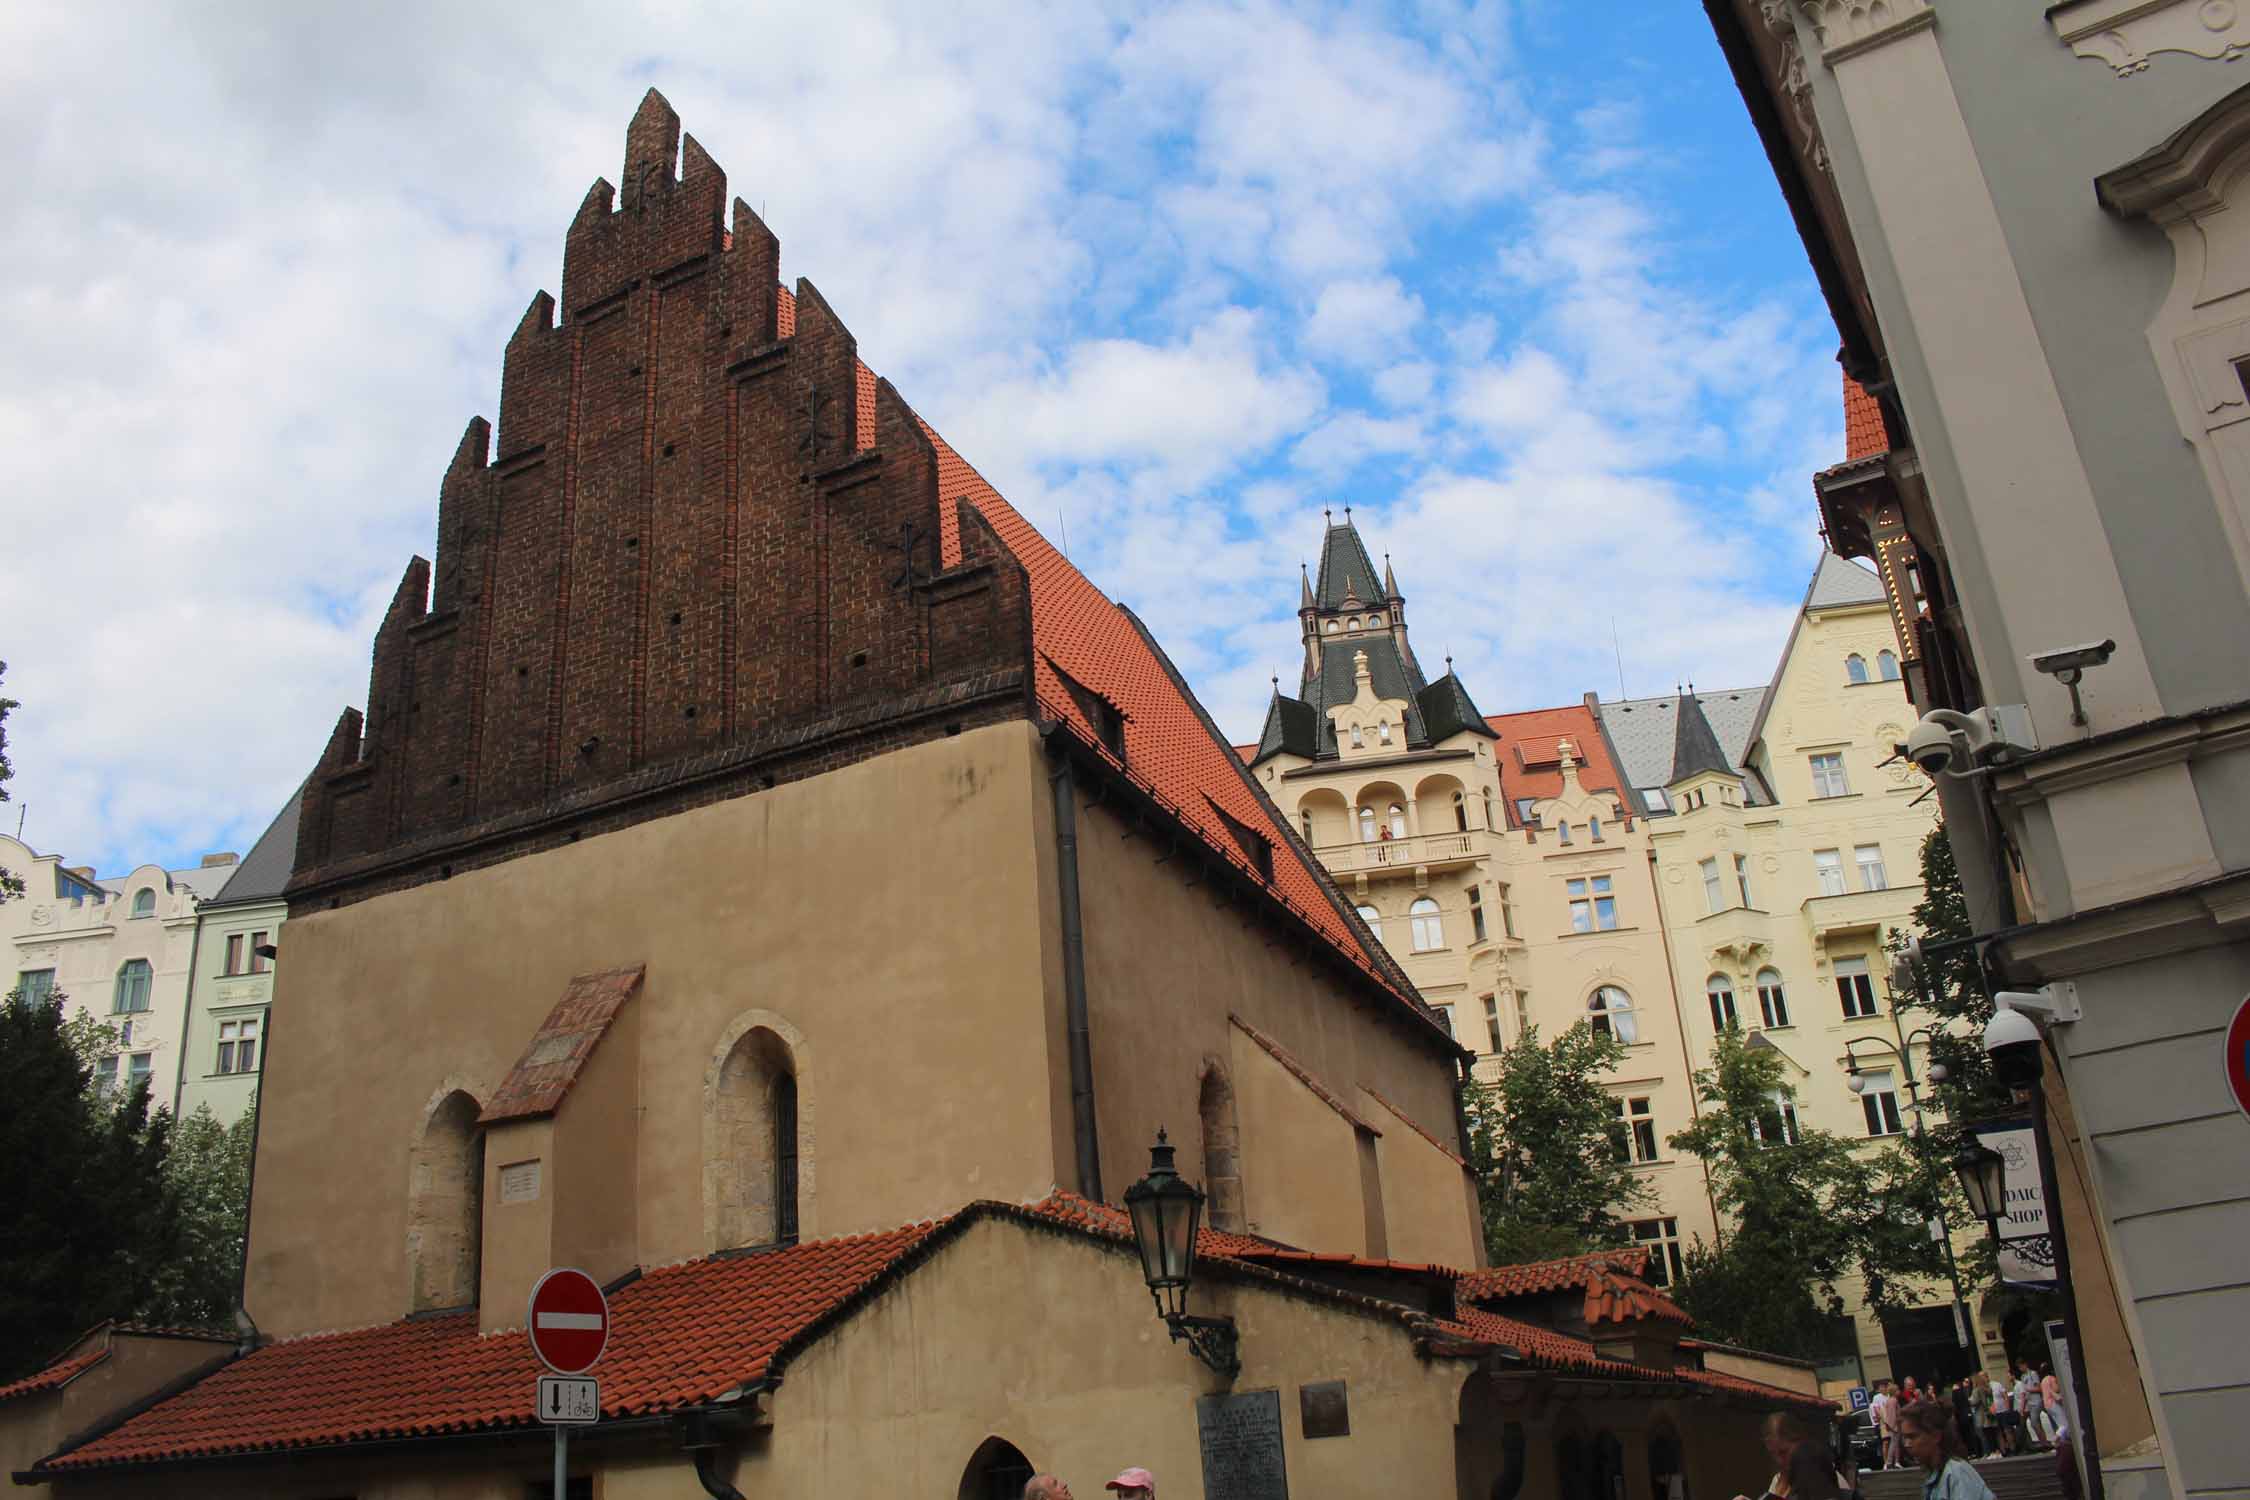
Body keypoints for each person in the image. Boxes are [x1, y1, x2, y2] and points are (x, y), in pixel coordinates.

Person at [1734, 1411, 1843, 1500]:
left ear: (1800, 1442)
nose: (1779, 1460)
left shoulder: (1820, 1473)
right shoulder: (1777, 1480)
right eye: (1773, 1453)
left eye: (1783, 1452)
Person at [1902, 1401, 1996, 1500]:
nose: (1906, 1444)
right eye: (1904, 1438)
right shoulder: (1935, 1475)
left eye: (1912, 1437)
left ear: (1936, 1436)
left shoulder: (1957, 1472)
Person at [1951, 1376, 1981, 1459]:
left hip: (1962, 1417)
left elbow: (1955, 1404)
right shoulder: (1964, 1392)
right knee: (1970, 1434)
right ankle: (1975, 1452)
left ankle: (1972, 1452)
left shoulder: (1960, 1392)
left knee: (1968, 1435)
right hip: (1965, 1416)